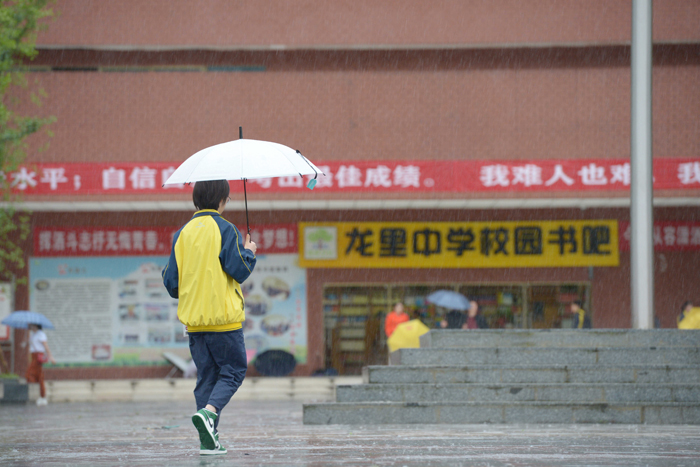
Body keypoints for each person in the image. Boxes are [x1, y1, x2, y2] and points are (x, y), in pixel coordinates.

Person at [162, 179, 257, 456]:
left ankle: (209, 440)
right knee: (234, 371)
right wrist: (249, 253)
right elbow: (238, 270)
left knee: (207, 377)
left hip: (194, 324)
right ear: (223, 200)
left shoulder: (182, 233)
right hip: (223, 321)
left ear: (196, 200)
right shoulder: (225, 228)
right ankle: (210, 412)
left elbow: (171, 284)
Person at [25, 324, 56, 406]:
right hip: (33, 356)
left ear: (36, 326)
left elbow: (45, 346)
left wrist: (50, 357)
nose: (31, 327)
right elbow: (30, 344)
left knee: (29, 374)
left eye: (32, 326)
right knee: (40, 377)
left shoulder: (41, 334)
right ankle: (42, 397)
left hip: (38, 356)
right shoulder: (33, 335)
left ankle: (42, 396)